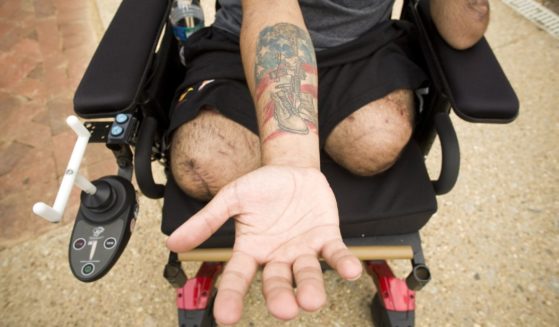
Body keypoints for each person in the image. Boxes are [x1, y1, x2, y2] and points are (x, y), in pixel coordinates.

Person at [165, 0, 490, 325]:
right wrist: (292, 159)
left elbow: (462, 33)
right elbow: (271, 9)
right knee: (204, 165)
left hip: (361, 42)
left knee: (377, 139)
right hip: (245, 35)